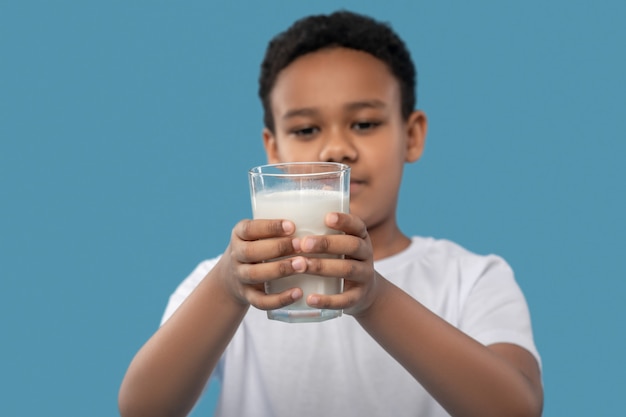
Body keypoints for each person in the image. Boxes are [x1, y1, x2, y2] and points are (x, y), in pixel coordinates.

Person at [118, 10, 543, 417]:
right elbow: (143, 408)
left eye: (364, 124)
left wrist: (373, 297)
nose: (335, 149)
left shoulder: (471, 279)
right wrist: (227, 288)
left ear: (411, 136)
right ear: (274, 150)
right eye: (305, 130)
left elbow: (515, 408)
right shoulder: (226, 285)